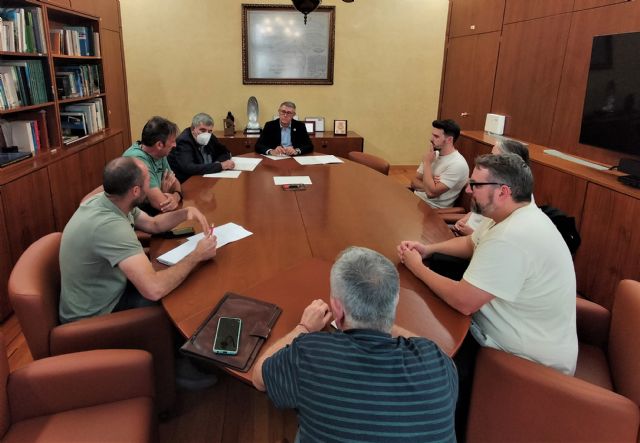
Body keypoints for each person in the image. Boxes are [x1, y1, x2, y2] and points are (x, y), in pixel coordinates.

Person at [253, 246, 457, 443]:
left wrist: (303, 327)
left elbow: (259, 377)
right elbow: (434, 353)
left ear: (337, 310)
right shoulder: (437, 362)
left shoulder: (310, 354)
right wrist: (381, 318)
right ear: (394, 302)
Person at [398, 153, 578, 375]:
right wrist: (428, 249)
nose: (468, 190)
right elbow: (471, 243)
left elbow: (463, 301)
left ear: (503, 191)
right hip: (513, 330)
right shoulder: (511, 214)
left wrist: (416, 267)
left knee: (419, 357)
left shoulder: (513, 236)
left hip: (519, 359)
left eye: (475, 185)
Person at [59, 156, 218, 323]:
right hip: (95, 316)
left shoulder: (111, 201)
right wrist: (197, 255)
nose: (151, 186)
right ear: (135, 191)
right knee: (183, 298)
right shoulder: (111, 227)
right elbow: (154, 289)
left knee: (180, 281)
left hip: (106, 294)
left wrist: (185, 213)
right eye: (148, 181)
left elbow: (153, 224)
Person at [452, 139, 530, 236]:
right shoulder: (492, 182)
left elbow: (494, 237)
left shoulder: (510, 198)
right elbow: (478, 213)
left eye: (494, 157)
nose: (490, 159)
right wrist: (465, 219)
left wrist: (471, 234)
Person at [123, 116, 183, 214]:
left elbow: (174, 182)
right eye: (172, 141)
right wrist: (164, 193)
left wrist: (176, 196)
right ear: (159, 145)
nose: (175, 145)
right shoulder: (138, 161)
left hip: (151, 212)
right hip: (135, 216)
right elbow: (162, 204)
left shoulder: (160, 153)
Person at [411, 119, 469, 208]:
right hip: (415, 200)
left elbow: (430, 193)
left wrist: (427, 164)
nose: (431, 139)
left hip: (431, 209)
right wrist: (430, 183)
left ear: (449, 140)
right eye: (432, 135)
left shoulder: (458, 164)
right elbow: (414, 182)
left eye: (436, 136)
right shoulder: (433, 155)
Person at [168, 112, 235, 183]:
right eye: (202, 130)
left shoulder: (210, 136)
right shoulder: (184, 141)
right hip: (187, 182)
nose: (206, 134)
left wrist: (216, 163)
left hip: (207, 178)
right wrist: (220, 166)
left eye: (209, 131)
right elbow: (189, 168)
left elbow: (225, 152)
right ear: (193, 129)